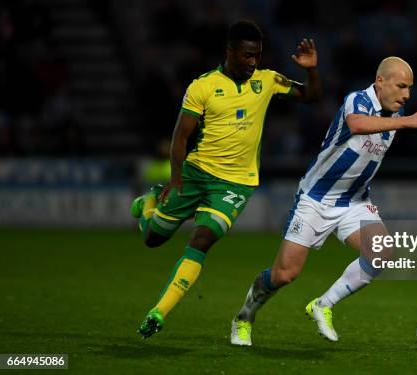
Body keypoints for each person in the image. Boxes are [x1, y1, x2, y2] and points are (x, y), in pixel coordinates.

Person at [230, 56, 417, 346]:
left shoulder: (395, 116)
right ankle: (244, 317)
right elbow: (356, 125)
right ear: (380, 81)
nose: (407, 95)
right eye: (401, 86)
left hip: (353, 202)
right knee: (284, 274)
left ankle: (323, 304)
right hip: (315, 199)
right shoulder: (358, 100)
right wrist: (408, 122)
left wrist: (402, 121)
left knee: (380, 252)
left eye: (410, 88)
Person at [130, 20, 321, 338]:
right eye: (246, 55)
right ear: (230, 52)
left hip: (234, 184)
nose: (252, 62)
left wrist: (311, 70)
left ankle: (158, 312)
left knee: (201, 239)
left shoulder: (268, 80)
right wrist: (176, 179)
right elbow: (180, 136)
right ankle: (149, 202)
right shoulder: (203, 86)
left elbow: (311, 96)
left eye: (257, 56)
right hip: (195, 174)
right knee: (153, 238)